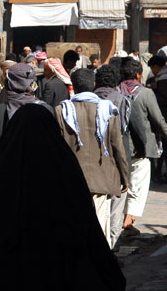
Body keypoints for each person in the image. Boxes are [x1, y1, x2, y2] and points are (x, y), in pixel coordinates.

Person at [0, 104, 130, 291]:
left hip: (11, 273)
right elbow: (83, 215)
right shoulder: (62, 163)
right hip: (58, 266)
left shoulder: (1, 165)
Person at [55, 69, 129, 245]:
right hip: (101, 178)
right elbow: (118, 147)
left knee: (74, 224)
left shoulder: (62, 110)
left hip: (71, 179)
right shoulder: (107, 110)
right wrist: (125, 177)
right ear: (93, 84)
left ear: (73, 87)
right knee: (98, 224)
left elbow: (56, 148)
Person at [0, 63, 52, 192]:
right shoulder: (46, 110)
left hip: (3, 185)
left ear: (9, 83)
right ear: (31, 84)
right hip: (39, 184)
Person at [120, 59, 167, 235]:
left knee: (124, 184)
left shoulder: (116, 91)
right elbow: (158, 120)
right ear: (139, 74)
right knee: (138, 185)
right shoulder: (146, 93)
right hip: (141, 147)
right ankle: (128, 219)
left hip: (120, 146)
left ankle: (123, 217)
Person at [94, 64, 131, 248]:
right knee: (116, 205)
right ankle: (111, 246)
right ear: (116, 81)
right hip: (115, 161)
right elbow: (122, 133)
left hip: (93, 161)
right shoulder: (122, 100)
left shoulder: (89, 99)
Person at [147, 55, 167, 183]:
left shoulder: (164, 79)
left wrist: (152, 93)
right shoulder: (161, 77)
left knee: (163, 147)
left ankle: (158, 173)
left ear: (156, 67)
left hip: (164, 117)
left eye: (152, 68)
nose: (152, 71)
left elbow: (164, 98)